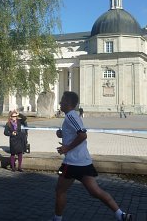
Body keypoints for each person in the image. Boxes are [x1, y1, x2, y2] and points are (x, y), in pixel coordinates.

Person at [51, 91, 132, 221]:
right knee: (95, 191)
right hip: (84, 163)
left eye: (62, 100)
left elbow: (83, 135)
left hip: (71, 163)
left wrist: (67, 147)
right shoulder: (71, 116)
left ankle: (57, 219)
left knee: (60, 191)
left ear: (68, 103)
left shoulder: (70, 116)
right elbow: (77, 133)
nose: (60, 103)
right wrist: (63, 134)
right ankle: (120, 214)